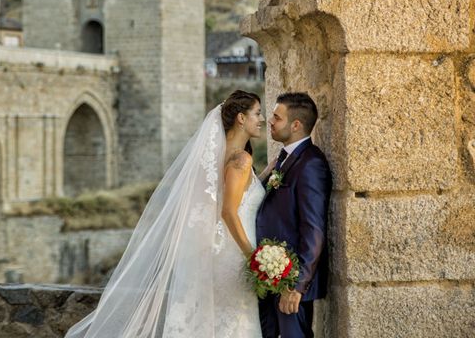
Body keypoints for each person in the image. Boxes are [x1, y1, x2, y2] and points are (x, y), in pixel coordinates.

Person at [65, 90, 272, 337]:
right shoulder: (241, 159)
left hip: (212, 253)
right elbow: (228, 211)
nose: (261, 119)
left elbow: (224, 196)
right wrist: (253, 255)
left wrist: (263, 176)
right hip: (235, 254)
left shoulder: (214, 157)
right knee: (234, 324)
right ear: (241, 118)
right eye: (257, 113)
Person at [256, 92, 332, 338]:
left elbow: (314, 228)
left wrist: (297, 285)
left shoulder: (311, 163)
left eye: (277, 118)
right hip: (270, 275)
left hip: (289, 280)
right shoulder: (284, 158)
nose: (270, 121)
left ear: (296, 125)